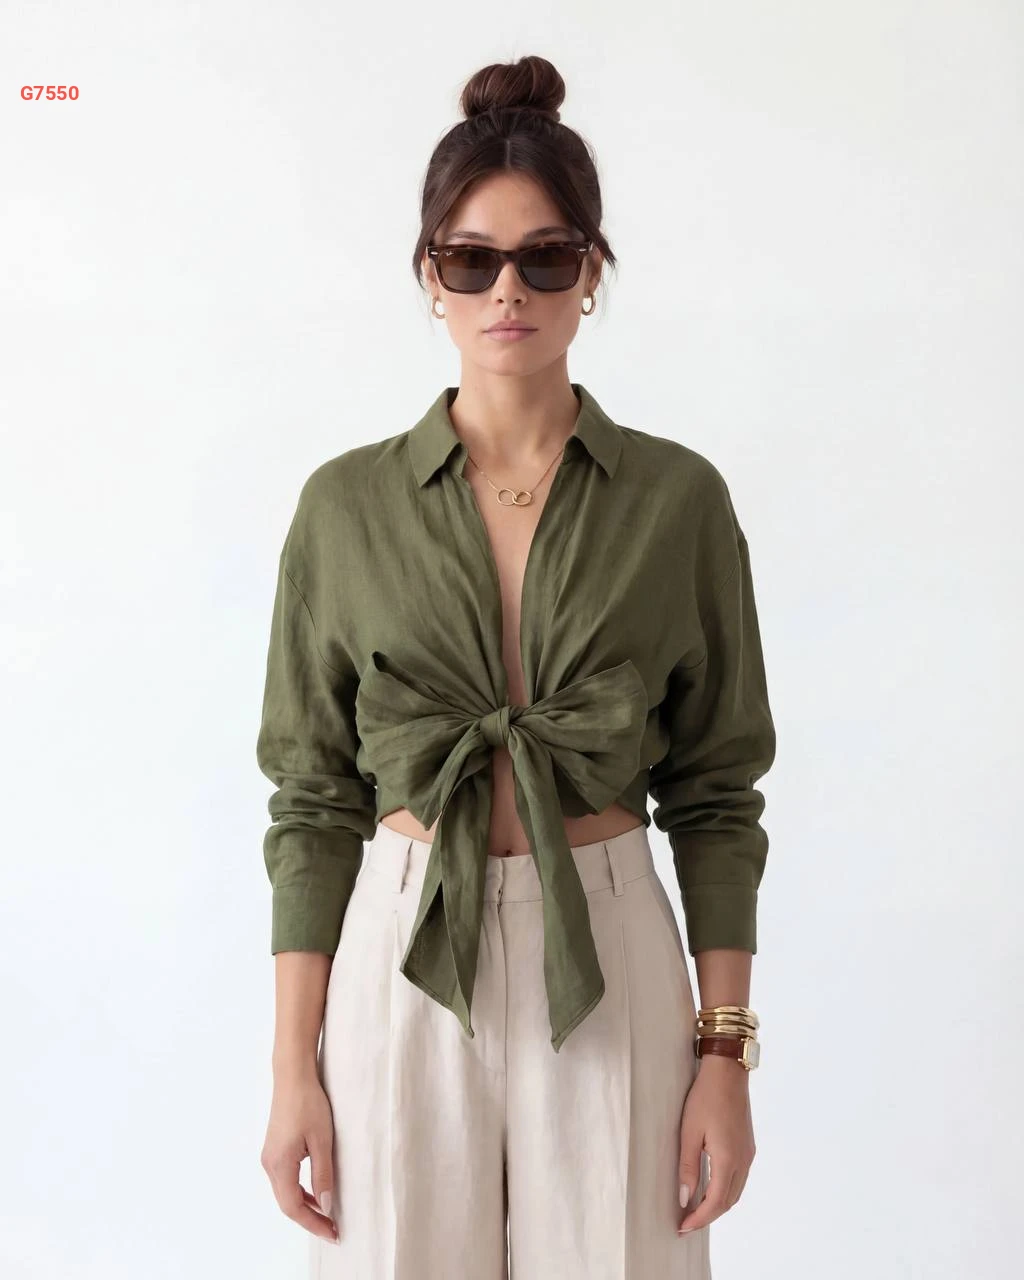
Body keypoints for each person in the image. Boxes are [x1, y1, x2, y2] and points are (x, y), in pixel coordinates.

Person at [256, 53, 776, 1280]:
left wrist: (724, 1054)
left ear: (591, 271)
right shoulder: (343, 507)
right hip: (400, 946)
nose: (508, 288)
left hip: (608, 943)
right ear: (428, 274)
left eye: (545, 257)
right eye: (470, 258)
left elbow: (716, 793)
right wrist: (291, 1067)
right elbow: (313, 798)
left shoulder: (676, 501)